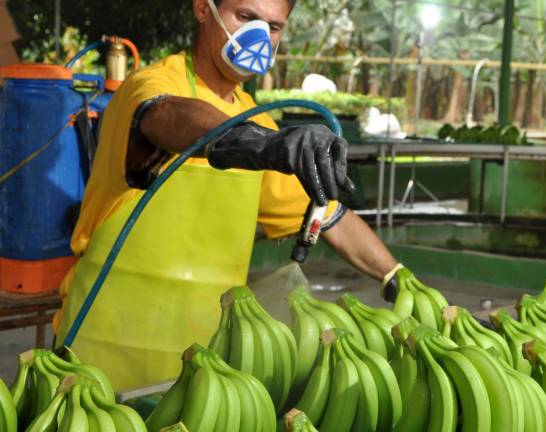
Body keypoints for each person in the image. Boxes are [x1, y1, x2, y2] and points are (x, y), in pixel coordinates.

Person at [53, 0, 417, 391]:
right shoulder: (155, 85)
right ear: (202, 9)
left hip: (199, 361)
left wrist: (393, 276)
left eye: (273, 27)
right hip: (104, 349)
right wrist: (267, 145)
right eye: (245, 17)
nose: (259, 36)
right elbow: (168, 117)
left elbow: (327, 215)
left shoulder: (257, 120)